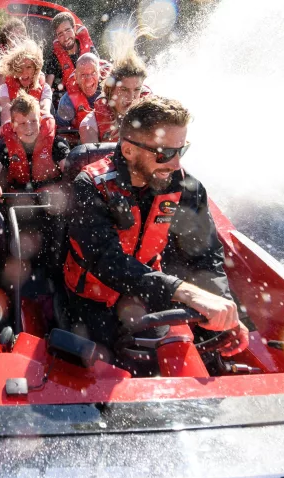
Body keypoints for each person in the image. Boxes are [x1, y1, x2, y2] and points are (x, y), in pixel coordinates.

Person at [63, 96, 249, 358]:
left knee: (174, 359)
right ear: (128, 150)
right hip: (93, 299)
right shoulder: (90, 185)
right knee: (102, 369)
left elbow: (205, 255)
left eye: (181, 151)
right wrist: (183, 292)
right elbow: (107, 261)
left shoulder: (186, 187)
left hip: (150, 294)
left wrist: (222, 305)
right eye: (165, 154)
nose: (175, 164)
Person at [0, 90, 70, 197]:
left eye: (33, 121)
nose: (29, 129)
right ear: (13, 126)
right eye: (22, 123)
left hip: (50, 198)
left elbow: (70, 170)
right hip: (20, 199)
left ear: (40, 121)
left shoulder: (55, 143)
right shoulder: (6, 145)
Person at [79, 52, 151, 143]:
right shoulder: (89, 125)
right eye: (124, 89)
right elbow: (93, 157)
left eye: (137, 89)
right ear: (111, 90)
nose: (131, 97)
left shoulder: (154, 117)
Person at [0, 38, 53, 126]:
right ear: (14, 70)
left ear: (35, 69)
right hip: (14, 133)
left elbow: (45, 111)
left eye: (29, 67)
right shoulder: (4, 89)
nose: (24, 73)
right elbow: (6, 118)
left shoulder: (45, 88)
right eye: (19, 68)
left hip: (37, 132)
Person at [45, 12, 99, 93]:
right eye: (60, 34)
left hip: (92, 96)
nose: (66, 38)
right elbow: (47, 89)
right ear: (57, 37)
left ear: (74, 29)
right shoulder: (54, 58)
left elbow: (101, 75)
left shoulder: (90, 50)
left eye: (68, 30)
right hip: (69, 101)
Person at [56, 52, 108, 130]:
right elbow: (61, 132)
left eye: (93, 73)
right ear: (76, 78)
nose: (89, 79)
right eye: (83, 75)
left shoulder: (109, 93)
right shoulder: (67, 102)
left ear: (99, 74)